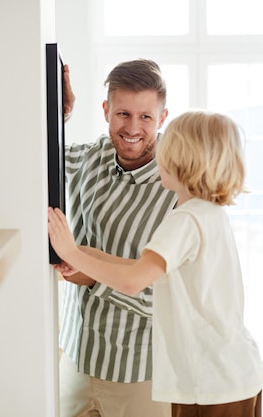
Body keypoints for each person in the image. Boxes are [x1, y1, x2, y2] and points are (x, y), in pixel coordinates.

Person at [49, 110, 263, 417]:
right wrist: (88, 256)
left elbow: (134, 280)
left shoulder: (185, 221)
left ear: (182, 161)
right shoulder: (207, 213)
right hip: (230, 374)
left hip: (211, 384)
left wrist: (71, 253)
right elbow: (139, 265)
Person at [58, 59, 176, 417]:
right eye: (123, 113)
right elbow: (28, 161)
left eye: (146, 117)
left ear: (163, 117)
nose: (133, 128)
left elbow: (169, 297)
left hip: (140, 376)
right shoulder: (88, 160)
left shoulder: (179, 189)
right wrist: (54, 117)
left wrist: (94, 276)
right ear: (106, 110)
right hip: (77, 360)